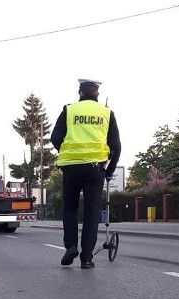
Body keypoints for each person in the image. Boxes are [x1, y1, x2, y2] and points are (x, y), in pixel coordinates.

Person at [50, 79, 121, 269]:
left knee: (70, 208)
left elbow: (55, 138)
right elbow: (116, 146)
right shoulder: (107, 113)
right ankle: (87, 257)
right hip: (95, 169)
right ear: (97, 94)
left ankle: (71, 246)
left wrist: (67, 152)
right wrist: (110, 169)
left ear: (80, 93)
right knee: (91, 212)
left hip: (72, 168)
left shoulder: (69, 110)